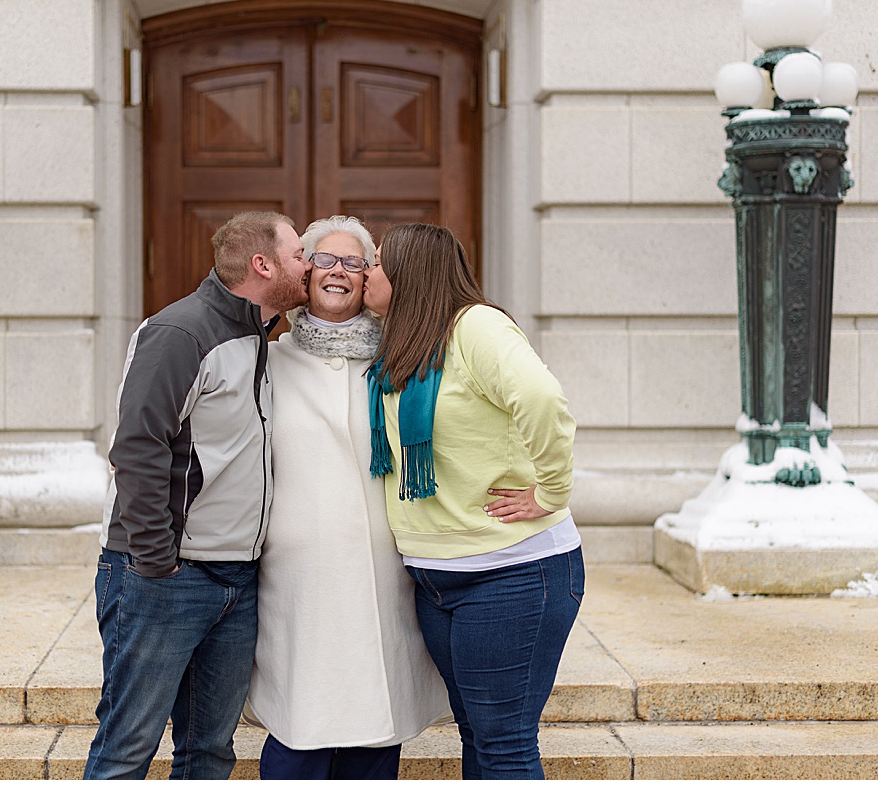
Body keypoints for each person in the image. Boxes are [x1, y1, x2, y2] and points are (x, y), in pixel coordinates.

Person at [84, 211, 312, 780]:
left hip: (237, 581)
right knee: (126, 748)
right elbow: (136, 449)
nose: (309, 266)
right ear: (263, 264)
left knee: (209, 753)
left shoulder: (261, 335)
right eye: (299, 254)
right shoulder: (180, 332)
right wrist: (157, 562)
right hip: (169, 578)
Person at [361, 222, 583, 780]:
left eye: (378, 261)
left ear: (409, 273)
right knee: (477, 733)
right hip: (434, 578)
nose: (366, 270)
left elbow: (541, 398)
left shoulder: (475, 327)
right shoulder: (403, 341)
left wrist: (550, 492)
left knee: (503, 741)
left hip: (511, 572)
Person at [244, 216, 450, 780]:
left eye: (355, 262)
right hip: (297, 576)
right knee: (299, 724)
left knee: (374, 720)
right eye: (326, 260)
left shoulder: (403, 363)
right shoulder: (267, 362)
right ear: (305, 275)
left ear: (370, 279)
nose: (339, 271)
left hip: (385, 571)